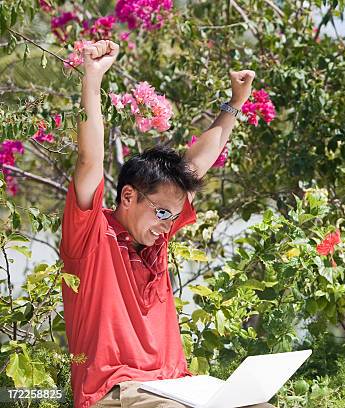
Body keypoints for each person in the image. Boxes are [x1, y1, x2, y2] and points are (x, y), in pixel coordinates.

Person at [59, 40, 271, 408]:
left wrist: (235, 102)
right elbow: (89, 161)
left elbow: (199, 163)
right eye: (161, 214)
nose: (167, 225)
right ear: (128, 197)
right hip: (115, 393)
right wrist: (92, 78)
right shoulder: (91, 236)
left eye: (172, 217)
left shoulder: (157, 233)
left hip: (176, 387)